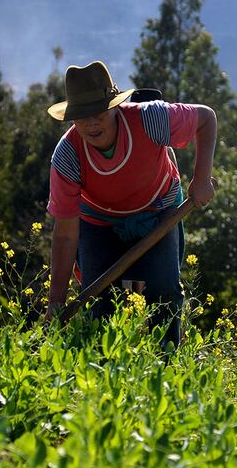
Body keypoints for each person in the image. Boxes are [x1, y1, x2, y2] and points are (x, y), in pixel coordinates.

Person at [44, 61, 216, 349]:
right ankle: (99, 368)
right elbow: (64, 234)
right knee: (97, 301)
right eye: (82, 116)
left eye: (99, 112)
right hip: (99, 221)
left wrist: (201, 179)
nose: (92, 123)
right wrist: (56, 302)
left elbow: (206, 118)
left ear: (114, 107)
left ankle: (167, 366)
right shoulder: (67, 156)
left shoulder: (150, 119)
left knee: (164, 291)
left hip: (158, 210)